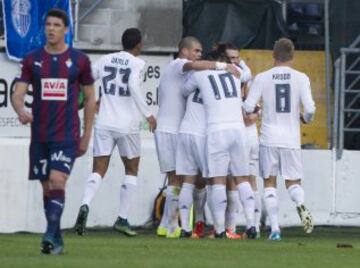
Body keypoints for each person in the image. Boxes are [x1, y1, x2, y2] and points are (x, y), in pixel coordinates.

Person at [11, 9, 96, 254]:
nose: (51, 28)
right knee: (48, 187)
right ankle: (56, 240)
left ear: (66, 30)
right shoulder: (31, 60)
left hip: (67, 134)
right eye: (48, 24)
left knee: (58, 180)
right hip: (39, 135)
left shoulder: (79, 61)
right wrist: (20, 110)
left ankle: (48, 235)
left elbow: (90, 99)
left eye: (57, 25)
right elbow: (18, 93)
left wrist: (86, 135)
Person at [74, 28, 156, 237]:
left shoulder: (106, 59)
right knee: (131, 169)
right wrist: (148, 114)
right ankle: (122, 218)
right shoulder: (138, 63)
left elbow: (87, 79)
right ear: (138, 45)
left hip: (104, 123)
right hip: (127, 125)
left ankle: (85, 204)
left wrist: (91, 100)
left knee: (98, 168)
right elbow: (133, 86)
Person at [155, 36, 240, 238]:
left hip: (175, 129)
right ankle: (217, 228)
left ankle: (169, 225)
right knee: (209, 180)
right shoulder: (180, 65)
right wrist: (223, 66)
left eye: (201, 52)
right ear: (184, 51)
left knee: (178, 180)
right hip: (178, 130)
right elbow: (198, 67)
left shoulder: (191, 78)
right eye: (196, 51)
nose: (198, 56)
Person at [244, 38, 315, 241]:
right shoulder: (301, 78)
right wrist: (305, 119)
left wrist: (258, 109)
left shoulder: (262, 78)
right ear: (292, 56)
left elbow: (248, 106)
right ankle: (300, 204)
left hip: (268, 137)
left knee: (269, 183)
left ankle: (275, 229)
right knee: (293, 183)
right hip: (291, 138)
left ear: (273, 55)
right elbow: (310, 109)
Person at [183, 49, 256, 238]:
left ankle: (220, 229)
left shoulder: (200, 74)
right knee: (242, 178)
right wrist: (235, 65)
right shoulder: (236, 74)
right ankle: (251, 225)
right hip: (239, 130)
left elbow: (184, 90)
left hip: (217, 130)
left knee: (217, 181)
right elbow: (248, 74)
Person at [221, 43, 262, 238]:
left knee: (236, 181)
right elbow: (256, 110)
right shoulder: (244, 76)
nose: (235, 61)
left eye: (237, 57)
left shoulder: (240, 79)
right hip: (247, 133)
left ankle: (233, 227)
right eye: (231, 58)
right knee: (247, 180)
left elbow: (252, 112)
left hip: (244, 134)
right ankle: (251, 226)